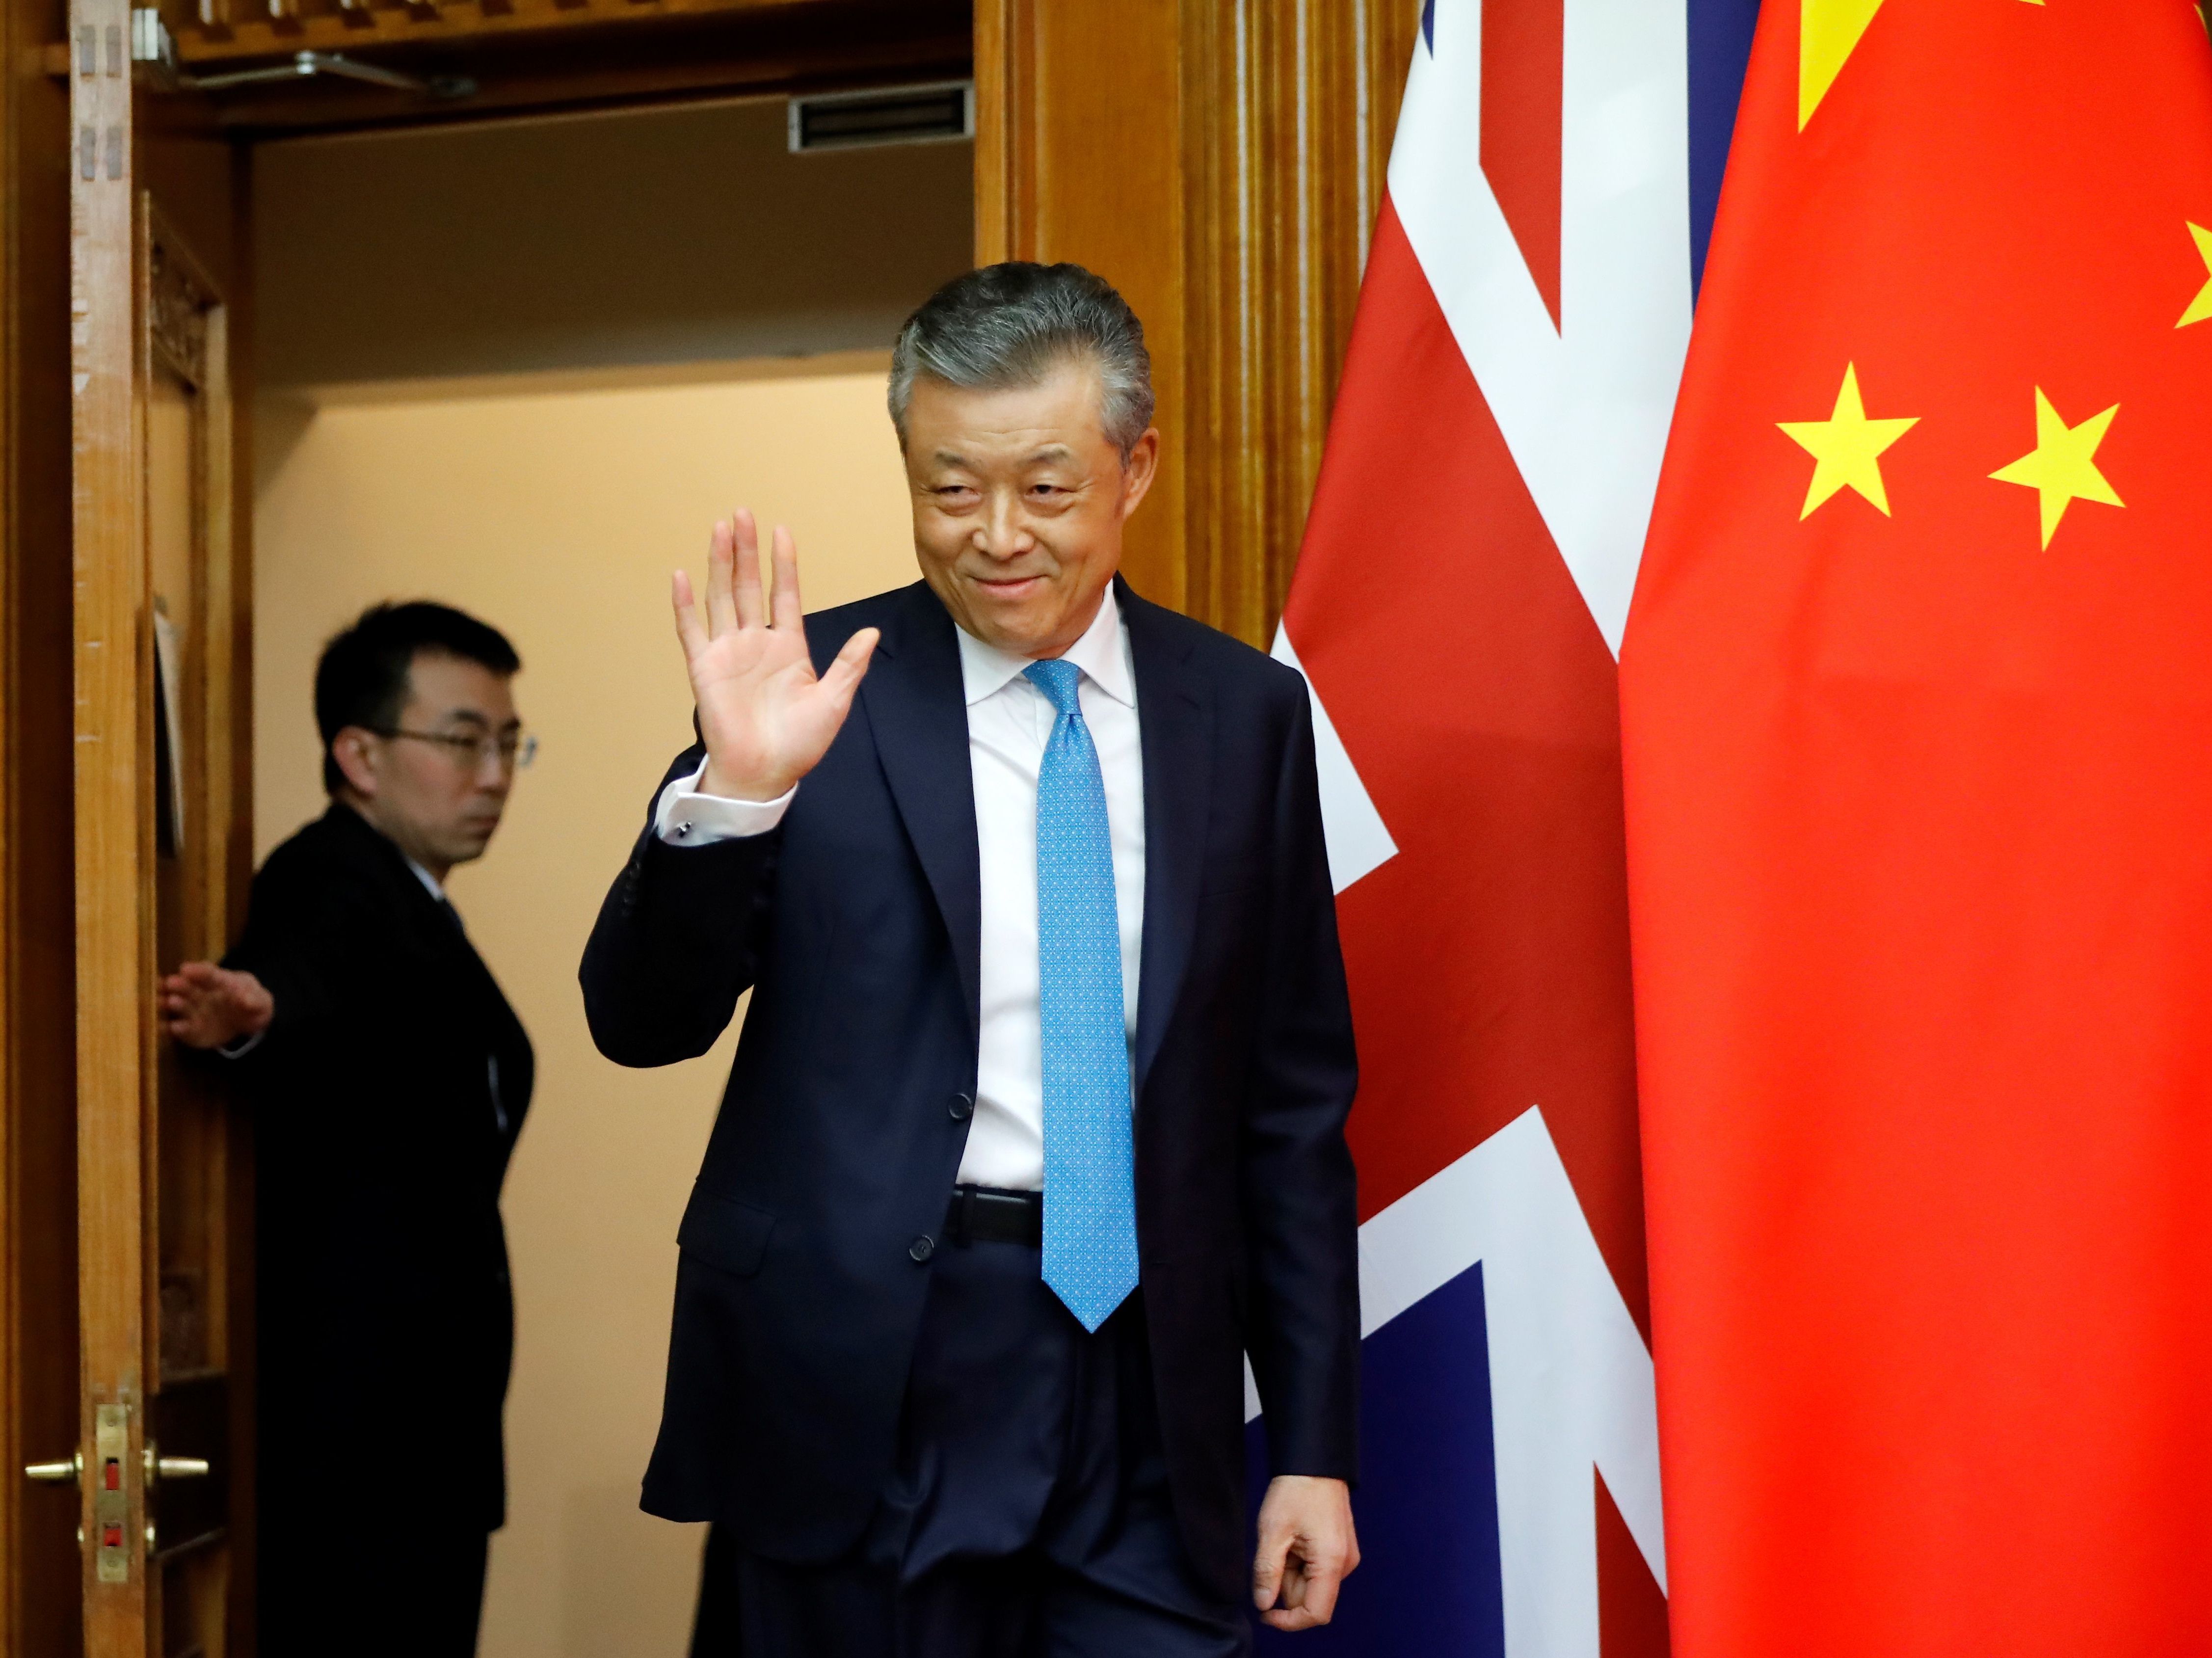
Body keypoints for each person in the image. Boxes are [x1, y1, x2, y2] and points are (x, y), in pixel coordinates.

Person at [581, 262, 1361, 1656]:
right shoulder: (808, 691)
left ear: (1135, 468)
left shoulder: (1242, 715)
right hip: (871, 1373)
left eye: (1044, 488)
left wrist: (1309, 1441)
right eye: (950, 489)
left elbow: (1288, 1111)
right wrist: (735, 796)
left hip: (1145, 1379)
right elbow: (641, 1020)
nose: (996, 536)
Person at [160, 601, 535, 1658]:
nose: (496, 773)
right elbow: (307, 978)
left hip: (418, 1443)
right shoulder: (330, 876)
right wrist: (256, 1014)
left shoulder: (414, 902)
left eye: (510, 743)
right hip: (356, 1450)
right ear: (359, 755)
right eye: (463, 741)